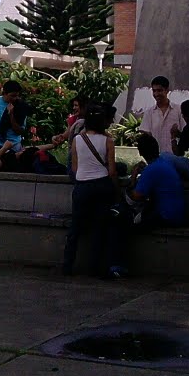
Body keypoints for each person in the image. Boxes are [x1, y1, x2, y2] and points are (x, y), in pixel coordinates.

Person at [112, 133, 186, 273]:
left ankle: (119, 265)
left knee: (121, 223)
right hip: (176, 213)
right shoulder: (163, 163)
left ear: (140, 152)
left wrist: (133, 178)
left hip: (166, 215)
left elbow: (135, 197)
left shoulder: (151, 170)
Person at [63, 102, 121, 278]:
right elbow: (111, 170)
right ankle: (95, 267)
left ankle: (67, 265)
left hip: (82, 187)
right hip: (102, 185)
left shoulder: (77, 140)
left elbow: (74, 167)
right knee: (99, 228)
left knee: (75, 229)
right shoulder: (108, 141)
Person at [139, 76, 183, 156]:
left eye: (159, 90)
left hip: (175, 157)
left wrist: (176, 134)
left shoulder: (178, 110)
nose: (156, 94)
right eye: (154, 91)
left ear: (167, 90)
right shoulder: (149, 112)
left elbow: (185, 133)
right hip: (156, 157)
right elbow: (146, 135)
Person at [0, 80, 27, 152]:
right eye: (12, 96)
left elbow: (20, 131)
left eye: (17, 95)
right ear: (4, 93)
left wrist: (11, 115)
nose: (15, 98)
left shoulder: (20, 107)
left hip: (12, 147)